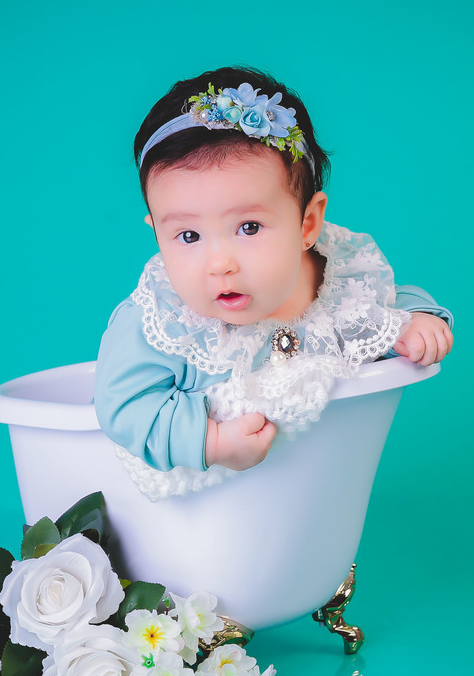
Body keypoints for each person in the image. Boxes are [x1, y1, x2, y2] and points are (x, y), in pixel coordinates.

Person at [95, 67, 453, 500]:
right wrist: (211, 443)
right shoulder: (161, 323)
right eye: (188, 236)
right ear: (157, 233)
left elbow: (378, 311)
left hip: (310, 498)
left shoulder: (339, 280)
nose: (220, 263)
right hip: (200, 510)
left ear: (308, 223)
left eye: (249, 227)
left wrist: (415, 320)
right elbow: (123, 407)